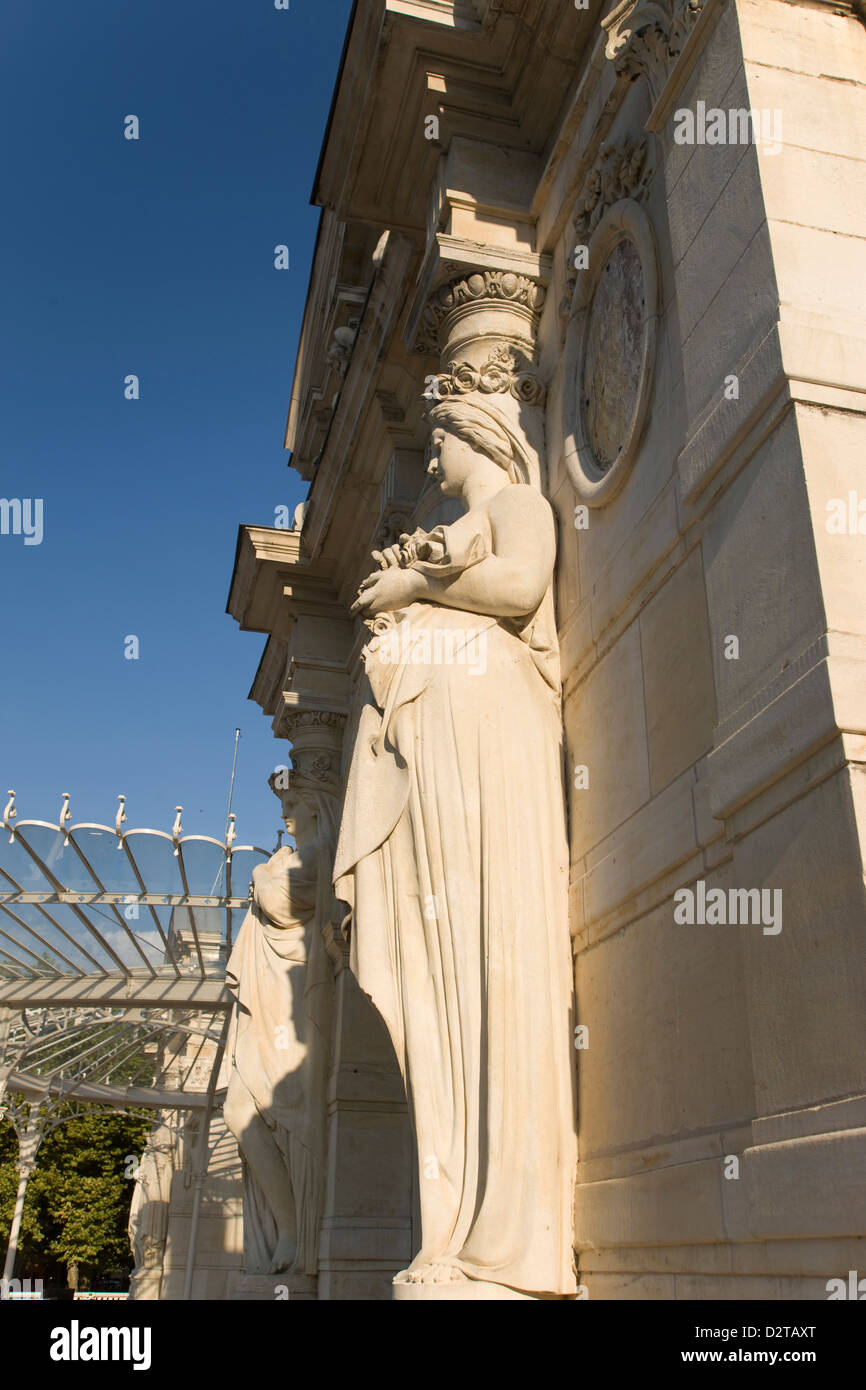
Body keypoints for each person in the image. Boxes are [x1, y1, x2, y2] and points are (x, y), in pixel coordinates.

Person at [334, 396, 577, 1295]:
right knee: (440, 982)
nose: (430, 453)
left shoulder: (514, 501)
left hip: (483, 736)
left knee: (490, 963)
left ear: (472, 435)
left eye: (437, 436)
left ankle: (506, 1233)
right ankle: (451, 1226)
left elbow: (519, 588)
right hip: (435, 746)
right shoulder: (451, 524)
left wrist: (416, 587)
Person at [223, 770, 336, 1276]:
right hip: (268, 996)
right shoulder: (286, 859)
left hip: (297, 1001)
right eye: (282, 802)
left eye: (292, 801)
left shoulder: (321, 854)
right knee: (237, 1108)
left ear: (315, 802)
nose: (285, 811)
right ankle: (289, 1227)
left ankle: (298, 1233)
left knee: (278, 1113)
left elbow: (283, 903)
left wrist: (259, 876)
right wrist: (267, 873)